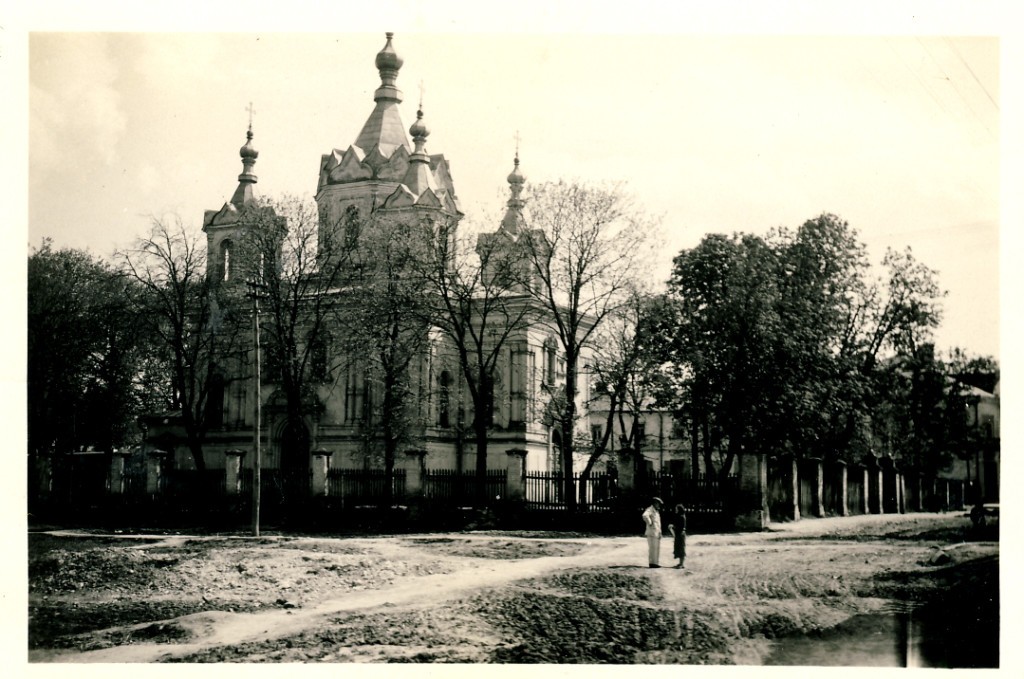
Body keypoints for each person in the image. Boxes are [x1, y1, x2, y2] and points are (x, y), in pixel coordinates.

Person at [642, 496, 664, 568]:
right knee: (652, 548)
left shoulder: (656, 511)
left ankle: (655, 563)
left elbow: (658, 523)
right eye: (658, 504)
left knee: (656, 548)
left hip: (656, 533)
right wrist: (649, 522)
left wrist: (660, 532)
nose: (659, 505)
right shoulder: (650, 509)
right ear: (655, 503)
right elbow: (645, 515)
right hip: (651, 533)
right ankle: (652, 563)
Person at [668, 503, 687, 569]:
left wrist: (673, 526)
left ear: (679, 509)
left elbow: (680, 527)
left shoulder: (681, 516)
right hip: (679, 534)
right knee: (679, 548)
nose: (675, 510)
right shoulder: (680, 516)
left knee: (681, 549)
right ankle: (680, 563)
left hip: (680, 534)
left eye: (676, 509)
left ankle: (681, 564)